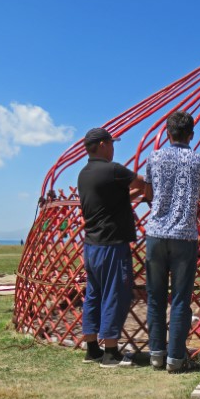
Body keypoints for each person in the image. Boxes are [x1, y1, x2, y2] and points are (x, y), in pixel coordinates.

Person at [144, 111, 200, 371]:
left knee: (155, 297)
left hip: (156, 235)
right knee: (181, 299)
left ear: (167, 133)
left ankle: (156, 355)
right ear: (191, 135)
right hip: (184, 236)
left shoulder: (155, 157)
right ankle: (175, 359)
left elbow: (149, 192)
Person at [77, 127, 145, 367]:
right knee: (115, 294)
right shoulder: (113, 170)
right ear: (104, 144)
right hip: (112, 245)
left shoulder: (83, 173)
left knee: (93, 296)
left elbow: (109, 200)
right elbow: (142, 183)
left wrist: (125, 198)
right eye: (112, 144)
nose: (114, 148)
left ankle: (92, 349)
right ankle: (111, 352)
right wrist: (135, 195)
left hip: (91, 246)